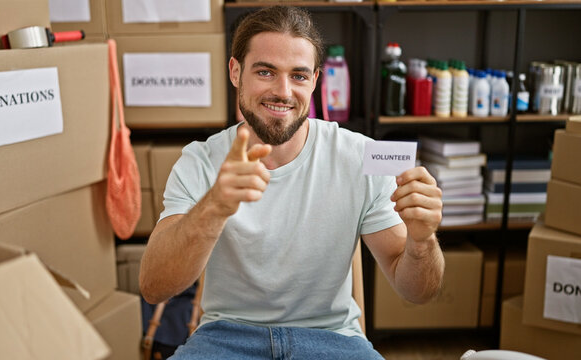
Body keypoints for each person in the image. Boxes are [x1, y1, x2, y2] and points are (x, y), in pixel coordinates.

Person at [140, 6, 444, 359]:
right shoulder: (201, 161)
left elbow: (418, 292)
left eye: (298, 76)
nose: (283, 91)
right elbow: (153, 287)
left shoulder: (360, 155)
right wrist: (214, 208)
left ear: (315, 80)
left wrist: (422, 241)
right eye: (266, 72)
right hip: (225, 338)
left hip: (332, 339)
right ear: (235, 72)